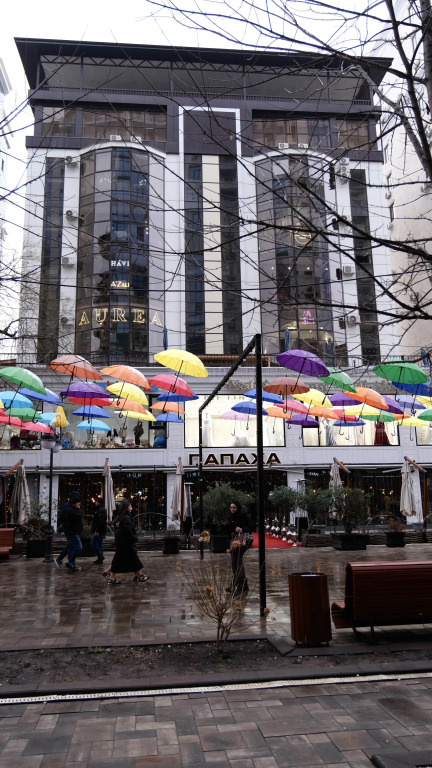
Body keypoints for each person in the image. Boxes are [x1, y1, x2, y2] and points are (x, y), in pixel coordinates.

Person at [103, 500, 150, 585]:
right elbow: (127, 531)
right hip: (126, 543)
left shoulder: (119, 518)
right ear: (126, 508)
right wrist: (135, 538)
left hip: (121, 542)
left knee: (122, 559)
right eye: (130, 506)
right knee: (132, 559)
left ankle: (110, 574)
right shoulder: (126, 518)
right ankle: (138, 576)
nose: (131, 508)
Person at [222, 501, 252, 597]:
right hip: (232, 542)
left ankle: (234, 585)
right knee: (237, 562)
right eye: (231, 507)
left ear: (238, 508)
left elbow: (251, 528)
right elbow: (226, 531)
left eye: (234, 507)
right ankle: (243, 585)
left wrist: (241, 529)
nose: (232, 509)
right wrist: (225, 525)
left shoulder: (244, 516)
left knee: (236, 562)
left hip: (241, 542)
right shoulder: (229, 516)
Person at [55, 490, 83, 573]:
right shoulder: (68, 508)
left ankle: (70, 565)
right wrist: (78, 510)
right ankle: (70, 562)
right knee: (78, 546)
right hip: (71, 531)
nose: (79, 503)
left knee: (71, 546)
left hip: (73, 530)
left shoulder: (69, 507)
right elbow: (76, 516)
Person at [91, 497, 108, 565]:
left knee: (93, 543)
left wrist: (97, 530)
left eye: (96, 501)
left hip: (99, 530)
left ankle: (100, 556)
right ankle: (100, 558)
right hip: (101, 530)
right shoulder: (101, 510)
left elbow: (100, 521)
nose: (95, 503)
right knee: (99, 544)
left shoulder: (100, 510)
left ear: (99, 502)